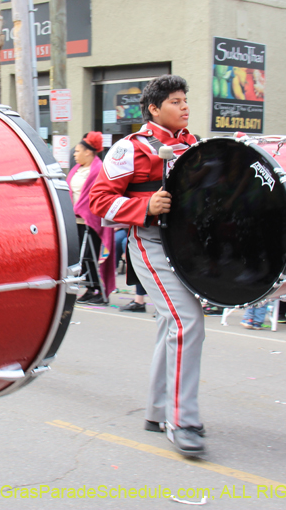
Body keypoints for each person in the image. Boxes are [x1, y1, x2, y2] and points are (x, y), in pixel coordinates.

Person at [90, 75, 206, 457]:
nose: (184, 106)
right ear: (154, 109)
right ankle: (182, 419)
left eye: (185, 99)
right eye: (175, 101)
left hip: (188, 250)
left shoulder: (196, 146)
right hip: (152, 244)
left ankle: (158, 411)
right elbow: (98, 201)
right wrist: (145, 208)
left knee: (171, 323)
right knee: (187, 322)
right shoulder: (130, 149)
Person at [67, 131, 115, 305]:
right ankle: (90, 288)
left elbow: (96, 196)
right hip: (76, 220)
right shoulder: (76, 169)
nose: (75, 154)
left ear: (88, 152)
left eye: (78, 151)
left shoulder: (98, 170)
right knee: (82, 258)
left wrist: (81, 209)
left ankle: (100, 291)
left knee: (91, 255)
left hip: (91, 221)